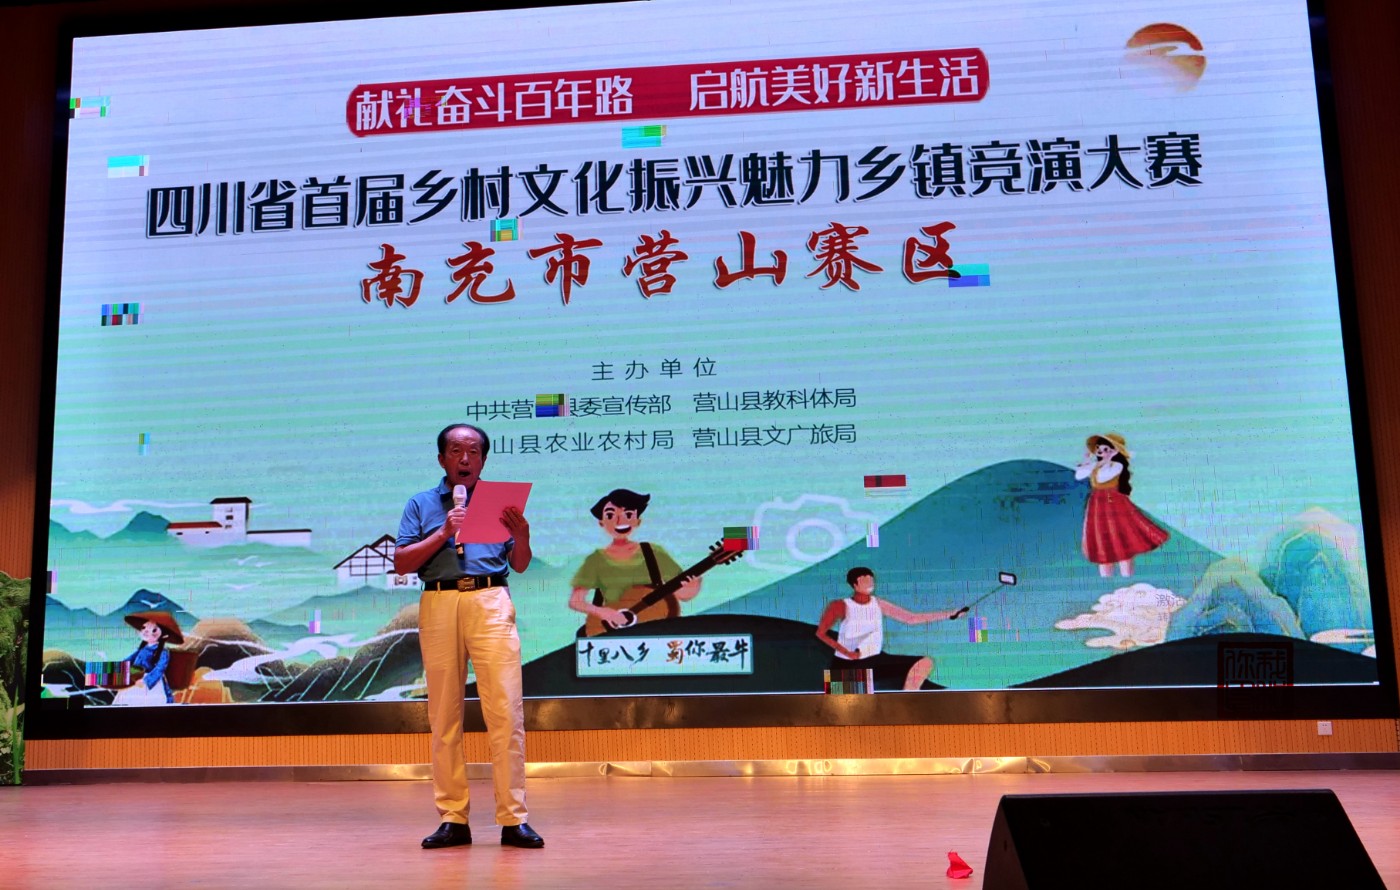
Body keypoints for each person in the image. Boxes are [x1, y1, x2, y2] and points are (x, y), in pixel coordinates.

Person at [394, 423, 543, 850]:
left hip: (490, 598)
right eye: (456, 451)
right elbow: (402, 562)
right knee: (443, 714)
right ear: (442, 458)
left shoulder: (500, 504)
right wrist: (443, 532)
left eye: (474, 452)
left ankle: (513, 818)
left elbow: (520, 564)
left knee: (506, 711)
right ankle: (453, 818)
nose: (465, 459)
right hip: (439, 600)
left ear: (484, 459)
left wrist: (522, 535)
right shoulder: (421, 504)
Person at [567, 488, 700, 633]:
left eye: (628, 514)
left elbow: (681, 595)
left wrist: (692, 586)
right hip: (609, 631)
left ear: (637, 521)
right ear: (601, 522)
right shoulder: (596, 559)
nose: (619, 521)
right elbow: (576, 601)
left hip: (655, 628)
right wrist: (605, 613)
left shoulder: (653, 552)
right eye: (610, 515)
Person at [815, 567, 960, 691]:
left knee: (925, 663)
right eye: (864, 581)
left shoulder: (878, 603)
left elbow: (911, 618)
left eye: (871, 580)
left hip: (874, 661)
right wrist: (847, 653)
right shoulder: (840, 605)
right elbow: (821, 633)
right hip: (847, 666)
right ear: (855, 585)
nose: (869, 584)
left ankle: (906, 700)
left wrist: (949, 614)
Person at [1074, 433, 1170, 577]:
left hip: (1114, 503)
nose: (1101, 452)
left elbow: (1103, 478)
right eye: (1099, 449)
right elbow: (1079, 475)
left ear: (1114, 451)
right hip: (1097, 505)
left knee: (1121, 537)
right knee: (1101, 539)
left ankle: (1127, 576)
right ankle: (1106, 578)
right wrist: (1087, 460)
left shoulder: (1117, 465)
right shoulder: (1096, 465)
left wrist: (1101, 462)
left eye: (1106, 449)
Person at [112, 610, 182, 706]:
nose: (146, 632)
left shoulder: (163, 652)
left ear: (164, 635)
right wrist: (118, 667)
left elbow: (159, 669)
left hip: (149, 683)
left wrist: (146, 680)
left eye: (154, 630)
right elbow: (130, 659)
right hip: (135, 678)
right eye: (144, 628)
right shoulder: (142, 648)